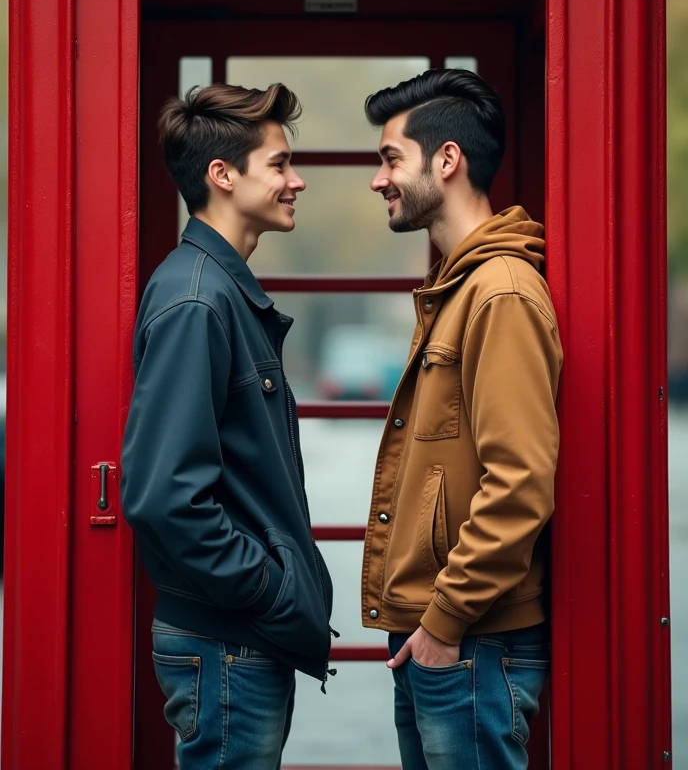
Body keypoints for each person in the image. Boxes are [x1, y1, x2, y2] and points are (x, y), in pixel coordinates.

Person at [121, 83, 335, 770]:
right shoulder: (198, 300)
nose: (296, 179)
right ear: (223, 175)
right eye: (278, 164)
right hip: (227, 645)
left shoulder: (218, 290)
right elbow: (163, 495)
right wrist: (269, 591)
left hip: (236, 643)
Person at [361, 68, 562, 770]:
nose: (378, 180)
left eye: (390, 159)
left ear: (446, 160)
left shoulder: (500, 292)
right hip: (444, 638)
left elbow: (519, 484)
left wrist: (444, 624)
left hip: (470, 641)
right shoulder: (459, 286)